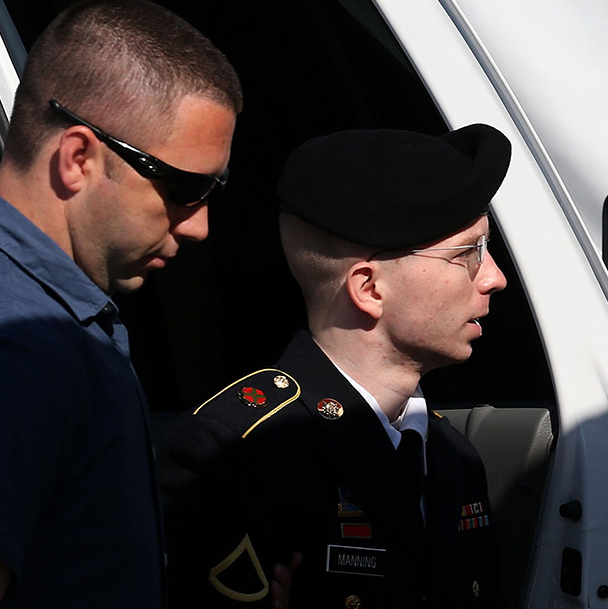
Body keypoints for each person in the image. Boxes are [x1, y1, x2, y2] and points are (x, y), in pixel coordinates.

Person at [0, 0, 241, 607]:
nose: (199, 226)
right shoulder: (11, 349)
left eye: (213, 191)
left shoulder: (3, 304)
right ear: (77, 158)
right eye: (185, 187)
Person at [159, 123, 511, 608]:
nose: (495, 277)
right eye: (469, 252)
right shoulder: (237, 452)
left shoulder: (453, 457)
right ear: (369, 289)